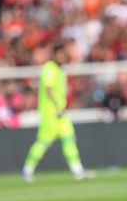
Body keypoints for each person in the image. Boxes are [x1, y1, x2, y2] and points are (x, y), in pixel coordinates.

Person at [22, 42, 96, 183]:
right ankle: (27, 170)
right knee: (43, 143)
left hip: (61, 114)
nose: (63, 57)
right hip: (51, 114)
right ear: (55, 55)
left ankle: (77, 171)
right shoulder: (49, 68)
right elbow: (49, 88)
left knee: (69, 140)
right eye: (60, 54)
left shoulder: (60, 69)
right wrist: (57, 106)